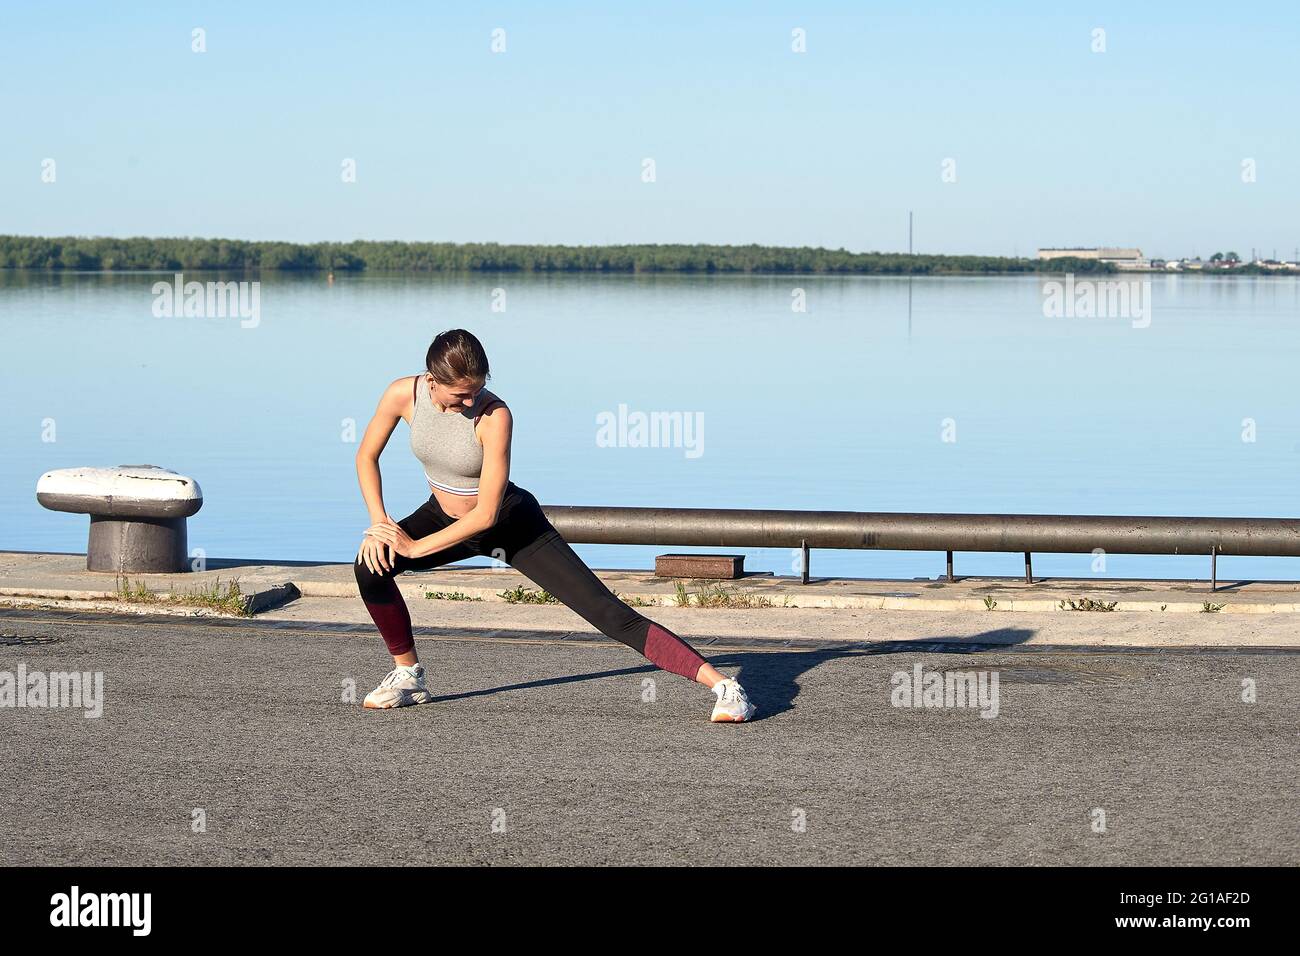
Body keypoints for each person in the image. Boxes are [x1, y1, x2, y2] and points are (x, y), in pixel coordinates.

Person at [353, 329, 756, 722]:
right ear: (431, 381)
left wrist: (414, 547)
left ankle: (725, 687)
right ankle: (409, 675)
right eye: (461, 393)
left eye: (477, 389)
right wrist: (381, 525)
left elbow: (486, 515)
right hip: (442, 515)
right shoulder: (402, 394)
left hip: (511, 524)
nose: (471, 399)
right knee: (370, 564)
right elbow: (366, 456)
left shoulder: (495, 416)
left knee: (608, 614)